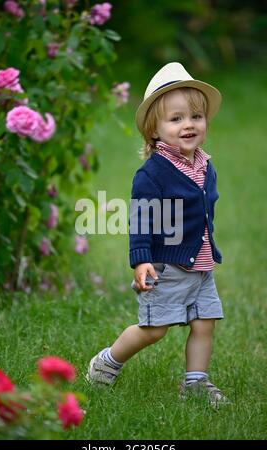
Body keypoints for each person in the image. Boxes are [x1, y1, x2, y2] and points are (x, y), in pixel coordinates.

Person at [86, 62, 228, 406]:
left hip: (200, 265)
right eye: (176, 118)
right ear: (155, 129)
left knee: (204, 322)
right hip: (165, 268)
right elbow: (141, 222)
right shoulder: (152, 175)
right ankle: (107, 361)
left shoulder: (204, 165)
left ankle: (195, 381)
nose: (188, 124)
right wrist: (141, 261)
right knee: (154, 330)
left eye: (196, 115)